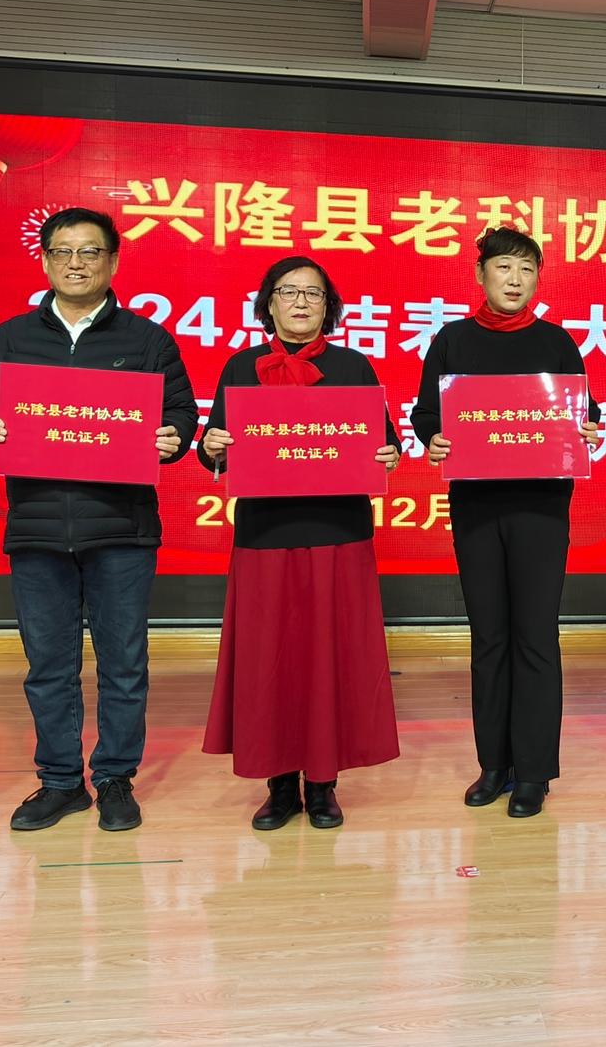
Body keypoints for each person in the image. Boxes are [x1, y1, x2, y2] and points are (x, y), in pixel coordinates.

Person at [0, 207, 198, 833]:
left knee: (123, 663)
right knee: (48, 665)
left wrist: (172, 436)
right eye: (63, 251)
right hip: (37, 527)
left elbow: (181, 413)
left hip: (121, 527)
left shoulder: (147, 340)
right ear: (44, 260)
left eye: (90, 252)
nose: (76, 263)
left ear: (113, 262)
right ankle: (61, 781)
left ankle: (116, 777)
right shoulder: (11, 338)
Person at [198, 256, 402, 830]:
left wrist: (388, 454)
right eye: (288, 292)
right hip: (266, 534)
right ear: (269, 303)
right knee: (271, 661)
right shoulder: (241, 367)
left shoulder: (353, 366)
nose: (301, 302)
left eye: (313, 294)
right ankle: (280, 783)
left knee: (329, 658)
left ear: (328, 307)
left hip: (338, 534)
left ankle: (324, 783)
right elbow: (214, 447)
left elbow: (384, 442)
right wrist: (213, 446)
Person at [411, 227, 599, 819]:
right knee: (488, 636)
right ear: (481, 274)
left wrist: (587, 429)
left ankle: (534, 771)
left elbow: (584, 411)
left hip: (541, 509)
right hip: (476, 506)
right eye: (504, 268)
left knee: (535, 635)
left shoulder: (556, 342)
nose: (515, 280)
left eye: (526, 270)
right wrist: (434, 437)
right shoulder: (453, 340)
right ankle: (493, 763)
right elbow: (426, 412)